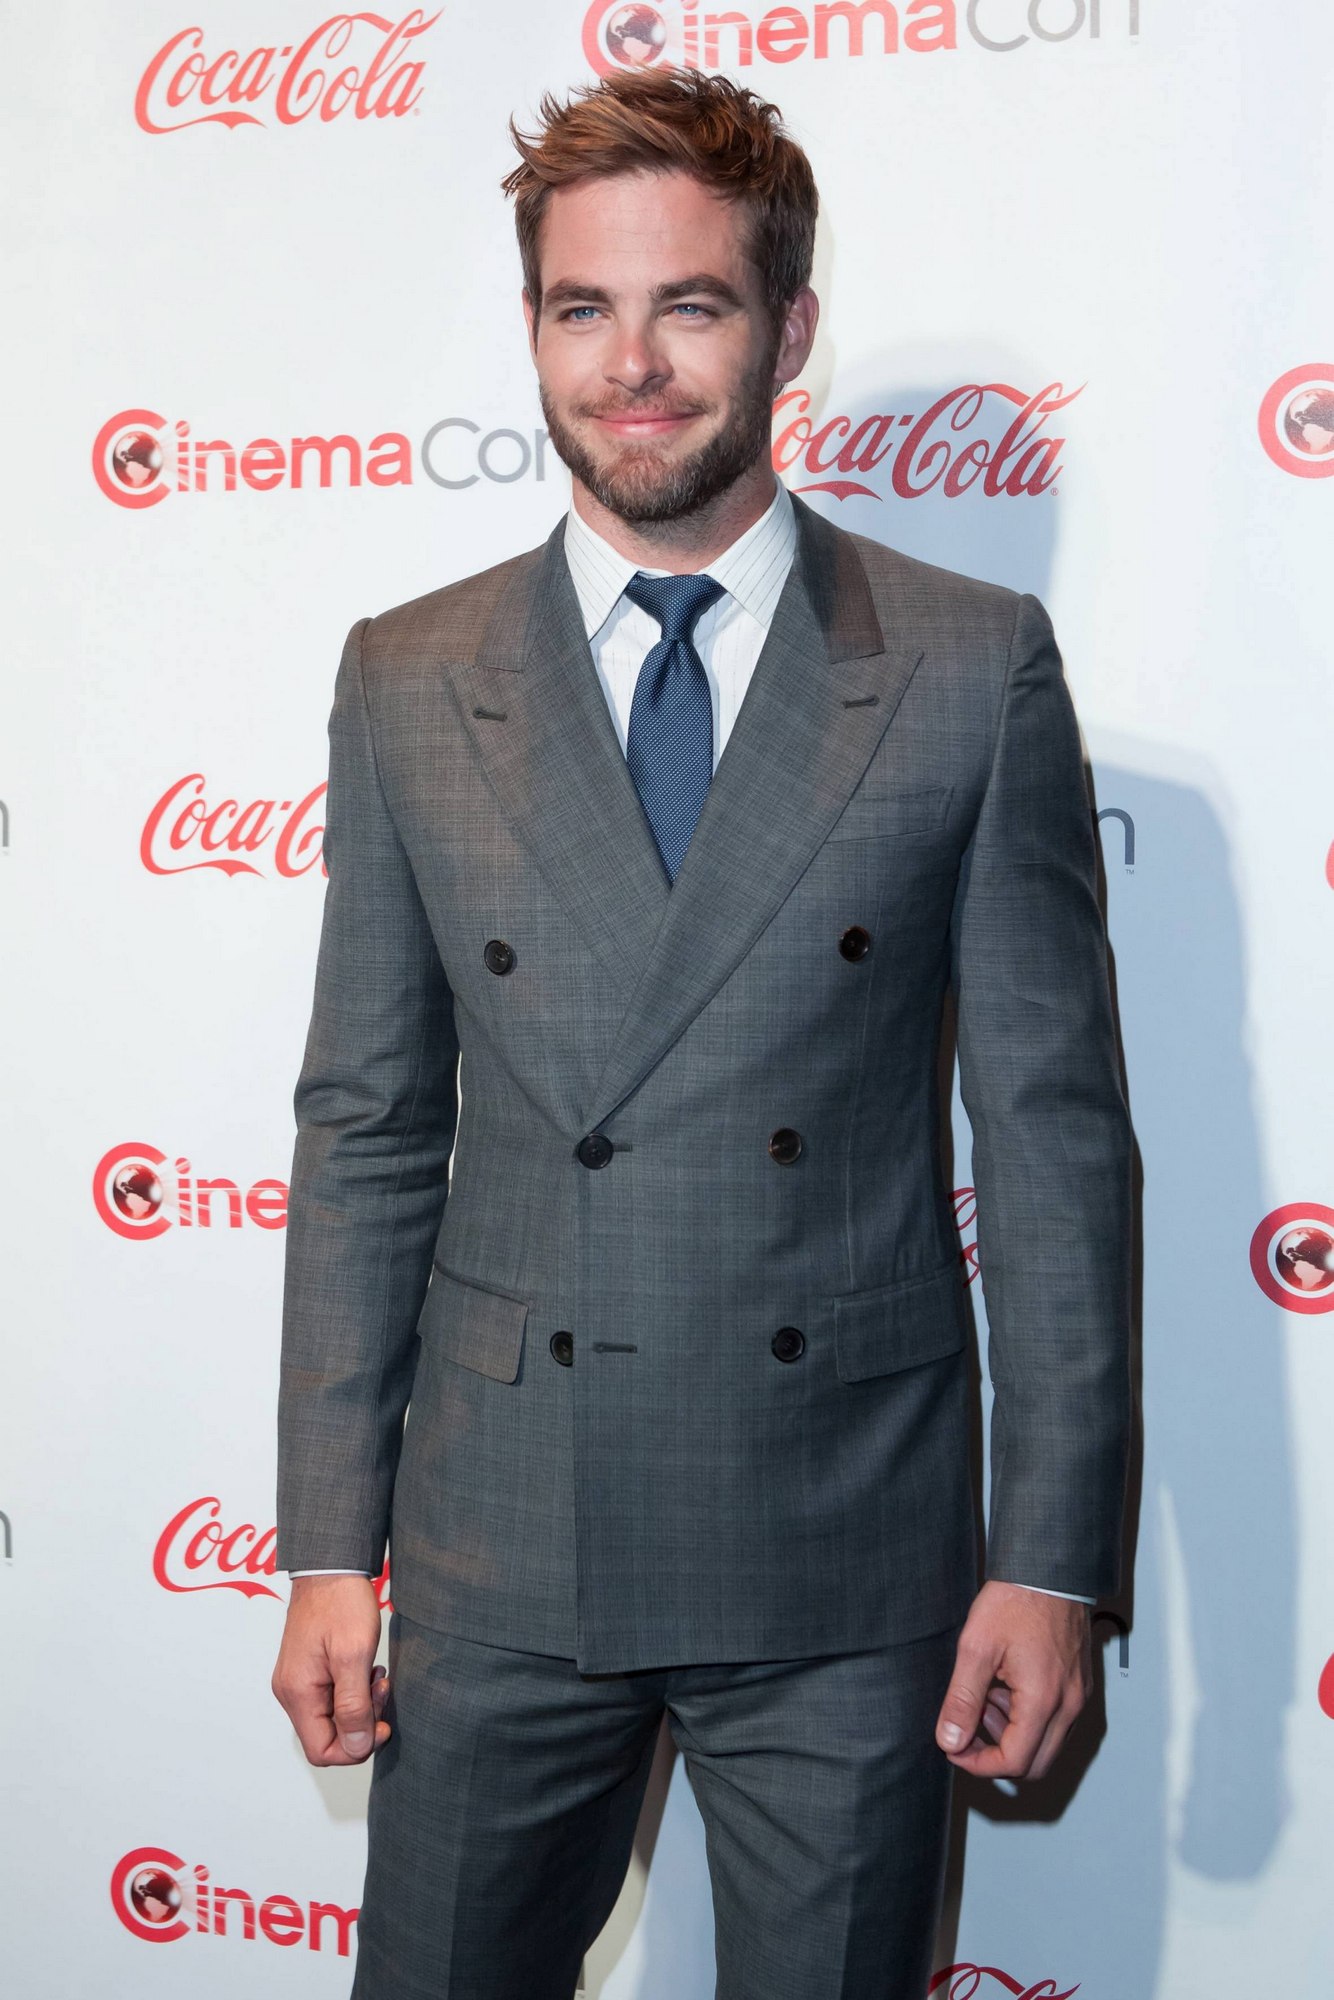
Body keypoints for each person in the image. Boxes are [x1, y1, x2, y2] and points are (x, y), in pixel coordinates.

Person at [271, 66, 1132, 2000]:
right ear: (532, 330)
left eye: (692, 305)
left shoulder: (966, 666)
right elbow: (369, 1126)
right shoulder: (409, 674)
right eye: (583, 307)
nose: (633, 365)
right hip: (500, 1537)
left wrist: (1048, 1557)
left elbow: (1052, 1142)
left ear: (787, 327)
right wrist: (328, 1542)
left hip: (847, 1547)